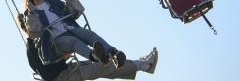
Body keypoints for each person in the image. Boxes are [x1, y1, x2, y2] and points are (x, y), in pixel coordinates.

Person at [21, 0, 158, 74]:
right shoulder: (30, 13)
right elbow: (35, 32)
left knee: (88, 34)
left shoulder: (53, 2)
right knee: (74, 42)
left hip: (70, 28)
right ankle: (94, 56)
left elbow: (73, 11)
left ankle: (113, 53)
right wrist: (32, 12)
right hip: (55, 41)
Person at [24, 37, 159, 81]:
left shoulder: (38, 43)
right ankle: (143, 65)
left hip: (66, 70)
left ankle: (143, 65)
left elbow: (43, 67)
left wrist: (62, 59)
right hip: (64, 77)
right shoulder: (33, 46)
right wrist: (61, 60)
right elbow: (44, 69)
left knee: (104, 68)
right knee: (103, 67)